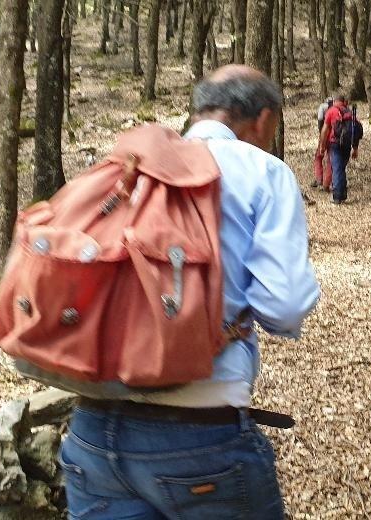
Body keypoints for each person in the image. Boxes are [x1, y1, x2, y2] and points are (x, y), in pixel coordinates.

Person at [58, 65, 320, 519]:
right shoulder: (265, 172)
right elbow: (284, 306)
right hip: (201, 431)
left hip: (92, 429)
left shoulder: (126, 165)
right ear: (262, 119)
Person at [318, 94, 362, 204]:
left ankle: (337, 196)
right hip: (347, 144)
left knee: (337, 169)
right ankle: (343, 194)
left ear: (335, 101)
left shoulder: (332, 111)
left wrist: (322, 146)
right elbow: (354, 130)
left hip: (335, 143)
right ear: (344, 101)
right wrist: (355, 148)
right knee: (341, 168)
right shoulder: (349, 112)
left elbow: (325, 130)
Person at [312, 97, 333, 190]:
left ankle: (319, 178)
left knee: (318, 156)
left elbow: (320, 119)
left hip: (324, 134)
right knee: (330, 159)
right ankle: (327, 182)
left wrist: (321, 133)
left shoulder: (323, 107)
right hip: (335, 137)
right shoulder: (339, 109)